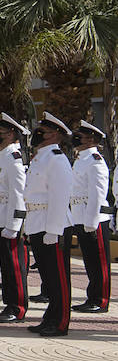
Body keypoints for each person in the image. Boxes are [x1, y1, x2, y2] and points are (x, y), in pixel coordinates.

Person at [23, 113, 74, 336]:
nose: (37, 134)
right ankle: (49, 317)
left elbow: (60, 197)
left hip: (52, 225)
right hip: (37, 222)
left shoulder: (56, 158)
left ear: (53, 134)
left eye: (41, 131)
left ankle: (60, 322)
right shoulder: (41, 157)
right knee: (47, 276)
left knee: (58, 277)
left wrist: (54, 230)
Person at [0, 113, 29, 324]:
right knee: (5, 266)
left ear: (11, 134)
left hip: (7, 221)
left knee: (14, 266)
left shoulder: (13, 159)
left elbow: (18, 194)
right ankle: (9, 304)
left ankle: (18, 307)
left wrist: (13, 225)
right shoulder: (2, 156)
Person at [68, 120, 111, 314]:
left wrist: (91, 222)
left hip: (94, 219)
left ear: (91, 139)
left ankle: (100, 300)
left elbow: (97, 194)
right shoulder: (81, 159)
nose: (76, 138)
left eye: (81, 135)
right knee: (90, 262)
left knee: (99, 262)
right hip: (81, 216)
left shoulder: (95, 161)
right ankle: (92, 297)